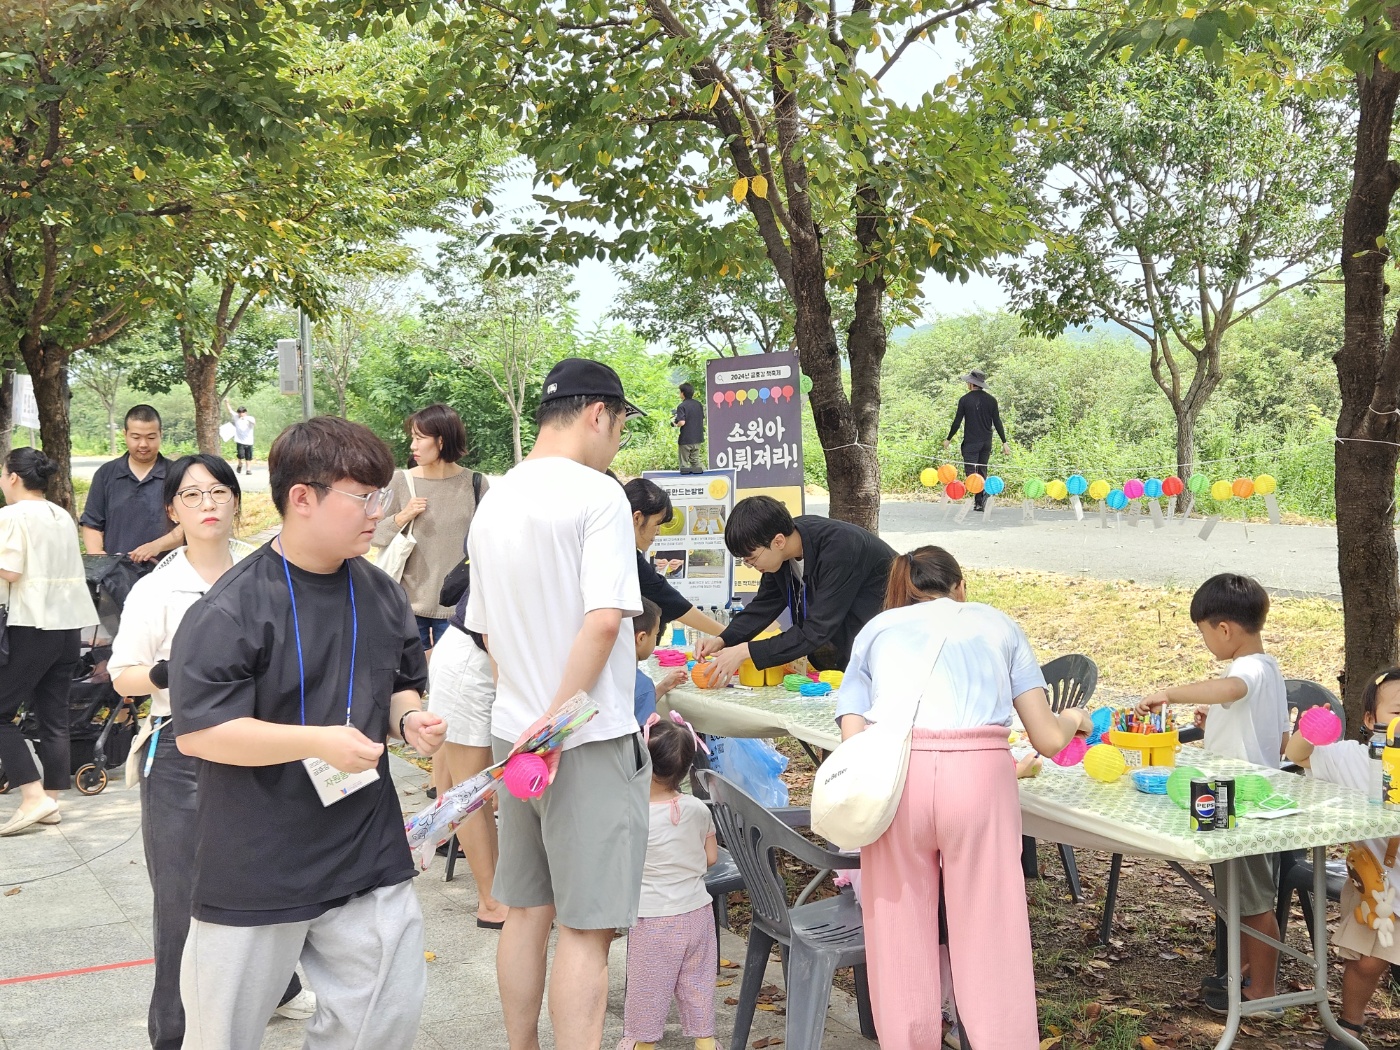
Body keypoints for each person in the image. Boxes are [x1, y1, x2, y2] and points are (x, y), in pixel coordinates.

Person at [168, 416, 448, 1050]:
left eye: (381, 495)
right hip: (258, 854)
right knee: (221, 1035)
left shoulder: (380, 591)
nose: (379, 512)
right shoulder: (230, 608)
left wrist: (408, 718)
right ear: (302, 497)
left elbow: (398, 681)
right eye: (364, 497)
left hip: (363, 843)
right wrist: (317, 742)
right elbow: (201, 734)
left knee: (382, 1019)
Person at [835, 546, 1091, 1050]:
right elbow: (1046, 739)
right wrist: (1074, 718)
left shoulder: (877, 630)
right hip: (979, 779)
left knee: (898, 930)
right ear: (961, 586)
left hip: (898, 778)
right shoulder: (997, 625)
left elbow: (853, 735)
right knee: (991, 928)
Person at [463, 357, 650, 1050]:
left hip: (517, 741)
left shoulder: (495, 498)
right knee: (585, 930)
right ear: (598, 413)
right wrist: (558, 723)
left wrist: (531, 724)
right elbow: (604, 622)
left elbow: (488, 633)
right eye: (621, 424)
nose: (618, 441)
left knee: (525, 911)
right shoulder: (598, 494)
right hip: (585, 740)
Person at [107, 454, 313, 1049]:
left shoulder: (269, 571)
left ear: (235, 501)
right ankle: (172, 1034)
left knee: (269, 876)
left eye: (218, 492)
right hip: (181, 752)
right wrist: (171, 672)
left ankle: (280, 986)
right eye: (192, 495)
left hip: (264, 742)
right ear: (173, 510)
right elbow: (122, 676)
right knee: (181, 899)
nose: (207, 504)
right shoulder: (156, 588)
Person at [1136, 573, 1290, 1014]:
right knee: (1236, 895)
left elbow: (1232, 688)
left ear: (1224, 629)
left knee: (1253, 901)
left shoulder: (1248, 669)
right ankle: (1240, 974)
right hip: (1238, 793)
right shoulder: (1270, 669)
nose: (1205, 641)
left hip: (1239, 800)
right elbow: (1278, 737)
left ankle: (1263, 993)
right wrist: (1217, 721)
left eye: (1203, 633)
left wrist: (1169, 693)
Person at [1285, 668, 1400, 1050]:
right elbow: (1297, 755)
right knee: (1367, 962)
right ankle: (1349, 1026)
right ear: (1370, 720)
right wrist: (1309, 730)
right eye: (1398, 711)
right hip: (1380, 888)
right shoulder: (1353, 758)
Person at [424, 477, 512, 931]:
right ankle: (489, 901)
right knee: (471, 792)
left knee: (479, 788)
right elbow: (494, 637)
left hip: (487, 665)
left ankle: (501, 892)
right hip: (467, 667)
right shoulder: (508, 547)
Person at [0, 448, 100, 835]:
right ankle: (51, 802)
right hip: (67, 627)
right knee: (53, 716)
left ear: (13, 477)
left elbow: (10, 570)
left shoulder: (11, 516)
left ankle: (32, 796)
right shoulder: (60, 515)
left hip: (30, 625)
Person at [696, 495, 895, 680]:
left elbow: (817, 629)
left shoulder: (839, 548)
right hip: (854, 644)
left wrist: (745, 651)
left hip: (888, 642)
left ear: (778, 541)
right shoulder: (783, 549)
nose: (751, 566)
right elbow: (762, 607)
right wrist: (722, 640)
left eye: (752, 558)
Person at [618, 714, 719, 1050]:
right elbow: (710, 858)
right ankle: (705, 1042)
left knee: (648, 989)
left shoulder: (633, 814)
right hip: (698, 913)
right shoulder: (698, 808)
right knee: (698, 983)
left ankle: (643, 1044)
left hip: (653, 918)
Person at [373, 404, 483, 654]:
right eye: (412, 437)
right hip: (408, 606)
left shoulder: (475, 484)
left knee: (450, 677)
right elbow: (375, 536)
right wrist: (403, 516)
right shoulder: (401, 481)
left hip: (457, 607)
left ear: (441, 440)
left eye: (419, 438)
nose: (413, 446)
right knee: (409, 676)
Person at [80, 405, 185, 564]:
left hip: (167, 569)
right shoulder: (106, 474)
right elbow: (92, 524)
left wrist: (157, 546)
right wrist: (99, 557)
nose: (143, 444)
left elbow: (192, 524)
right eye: (136, 437)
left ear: (160, 434)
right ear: (125, 434)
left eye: (151, 437)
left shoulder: (177, 474)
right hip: (116, 571)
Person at [624, 479, 725, 638]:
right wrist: (730, 636)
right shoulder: (624, 556)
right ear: (637, 518)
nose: (658, 532)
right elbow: (672, 602)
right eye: (657, 524)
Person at [942, 369, 1007, 512]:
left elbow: (957, 421)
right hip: (986, 442)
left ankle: (981, 496)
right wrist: (1004, 442)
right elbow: (997, 421)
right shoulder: (991, 400)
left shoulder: (965, 400)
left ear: (972, 384)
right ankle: (979, 502)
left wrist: (948, 438)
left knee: (971, 474)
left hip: (971, 443)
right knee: (982, 470)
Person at [633, 598, 688, 725]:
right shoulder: (643, 684)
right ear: (641, 638)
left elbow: (636, 705)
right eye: (656, 634)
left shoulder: (608, 671)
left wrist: (662, 687)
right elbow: (645, 732)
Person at [672, 382, 704, 474]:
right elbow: (701, 418)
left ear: (682, 393)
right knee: (695, 461)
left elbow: (682, 422)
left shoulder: (681, 406)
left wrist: (675, 424)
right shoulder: (698, 404)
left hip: (686, 439)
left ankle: (685, 480)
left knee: (684, 464)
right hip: (698, 438)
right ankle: (706, 476)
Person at [225, 399, 256, 475]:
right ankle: (240, 464)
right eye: (239, 412)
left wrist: (246, 419)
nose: (240, 414)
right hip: (240, 440)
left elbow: (254, 423)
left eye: (242, 412)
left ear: (245, 412)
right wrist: (227, 403)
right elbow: (230, 411)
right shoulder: (236, 417)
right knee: (240, 455)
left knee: (248, 456)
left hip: (249, 441)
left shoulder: (250, 418)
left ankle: (248, 470)